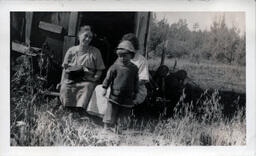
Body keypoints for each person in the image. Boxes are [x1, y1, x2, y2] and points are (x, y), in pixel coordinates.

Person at [59, 25, 105, 113]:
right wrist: (62, 81)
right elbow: (65, 69)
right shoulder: (71, 50)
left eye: (90, 37)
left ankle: (80, 110)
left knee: (87, 87)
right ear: (79, 36)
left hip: (87, 80)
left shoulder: (95, 52)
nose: (88, 39)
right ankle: (67, 109)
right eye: (85, 36)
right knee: (65, 86)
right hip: (72, 79)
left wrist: (95, 79)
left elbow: (100, 70)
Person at [101, 40, 139, 131]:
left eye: (125, 55)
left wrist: (136, 92)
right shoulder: (115, 66)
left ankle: (120, 128)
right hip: (115, 94)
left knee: (125, 111)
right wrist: (105, 88)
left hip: (128, 95)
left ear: (131, 55)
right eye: (120, 56)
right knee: (111, 110)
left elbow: (136, 81)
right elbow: (108, 77)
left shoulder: (134, 68)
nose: (122, 58)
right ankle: (107, 127)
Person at [121, 33, 149, 104]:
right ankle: (100, 114)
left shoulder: (141, 60)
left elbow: (143, 80)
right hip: (120, 86)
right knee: (100, 89)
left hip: (136, 89)